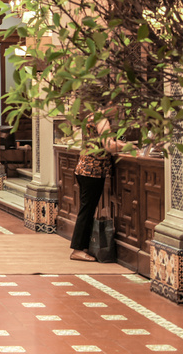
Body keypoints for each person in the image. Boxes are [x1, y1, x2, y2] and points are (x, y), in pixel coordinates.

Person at [70, 112, 123, 262]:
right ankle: (77, 249)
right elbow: (109, 146)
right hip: (93, 171)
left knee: (87, 209)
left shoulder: (91, 116)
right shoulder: (102, 120)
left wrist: (120, 142)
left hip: (84, 168)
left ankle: (82, 246)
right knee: (87, 210)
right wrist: (126, 146)